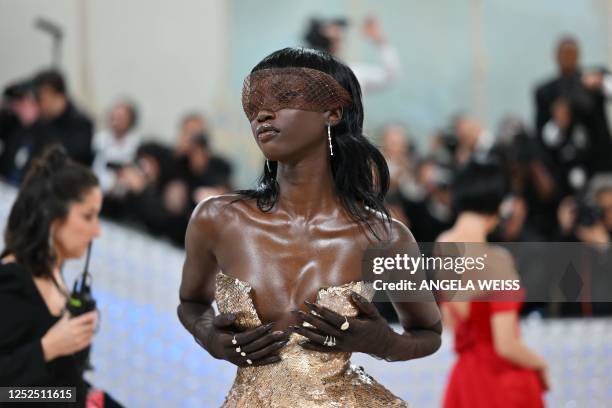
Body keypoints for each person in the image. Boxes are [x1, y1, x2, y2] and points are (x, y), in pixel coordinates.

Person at [177, 47, 442, 407]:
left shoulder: (384, 237)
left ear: (333, 112)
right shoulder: (217, 219)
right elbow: (191, 303)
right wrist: (210, 337)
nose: (262, 113)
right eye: (254, 102)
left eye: (284, 97)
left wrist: (384, 343)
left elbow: (429, 333)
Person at [0, 146, 119, 407]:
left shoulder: (57, 276)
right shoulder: (11, 281)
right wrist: (47, 348)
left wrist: (91, 397)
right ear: (53, 219)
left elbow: (62, 381)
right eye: (88, 216)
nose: (97, 231)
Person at [437, 160, 548, 407]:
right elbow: (506, 345)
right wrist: (540, 364)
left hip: (466, 378)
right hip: (502, 381)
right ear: (497, 203)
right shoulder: (497, 261)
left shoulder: (443, 246)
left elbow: (450, 321)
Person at [31, 69, 94, 166]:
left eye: (41, 98)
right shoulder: (40, 124)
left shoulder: (81, 124)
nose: (39, 103)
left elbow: (74, 161)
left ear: (52, 93)